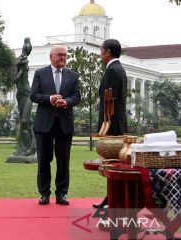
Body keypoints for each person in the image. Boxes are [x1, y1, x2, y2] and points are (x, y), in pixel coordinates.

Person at [30, 45, 81, 205]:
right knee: (44, 160)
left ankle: (62, 193)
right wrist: (50, 99)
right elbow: (34, 95)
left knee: (63, 160)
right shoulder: (40, 74)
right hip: (44, 123)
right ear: (51, 57)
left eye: (65, 55)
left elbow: (77, 97)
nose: (63, 58)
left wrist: (66, 102)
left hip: (64, 124)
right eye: (60, 55)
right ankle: (44, 193)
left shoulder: (72, 75)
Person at [93, 39, 128, 209]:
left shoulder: (112, 70)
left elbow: (110, 101)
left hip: (112, 125)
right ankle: (111, 199)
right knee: (115, 165)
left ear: (107, 52)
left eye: (101, 51)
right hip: (117, 123)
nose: (100, 55)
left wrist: (105, 125)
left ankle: (113, 200)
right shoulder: (118, 68)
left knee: (113, 165)